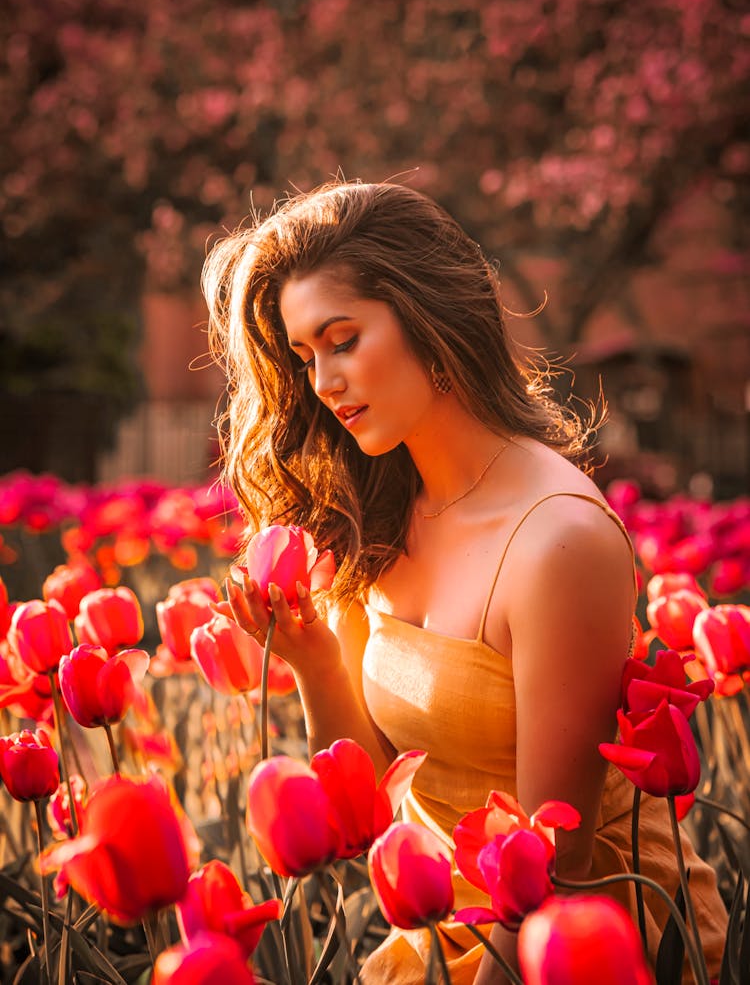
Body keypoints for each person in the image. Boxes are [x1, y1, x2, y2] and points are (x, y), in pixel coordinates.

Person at [204, 180, 727, 983]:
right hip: (445, 928)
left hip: (579, 942)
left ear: (429, 317)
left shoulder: (559, 541)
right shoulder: (376, 511)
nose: (322, 382)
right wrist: (314, 661)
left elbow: (558, 861)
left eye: (343, 339)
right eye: (306, 356)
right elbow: (372, 804)